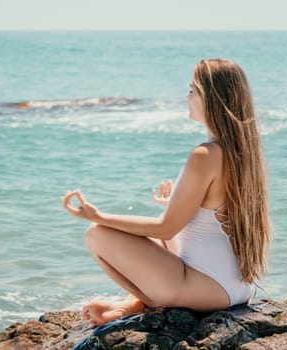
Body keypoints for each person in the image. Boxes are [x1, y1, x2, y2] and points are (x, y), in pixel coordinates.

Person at [62, 58, 271, 327]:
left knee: (97, 234)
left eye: (193, 90)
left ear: (212, 98)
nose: (187, 96)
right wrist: (176, 204)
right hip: (238, 286)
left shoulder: (205, 155)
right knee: (145, 238)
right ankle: (132, 304)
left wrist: (98, 215)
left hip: (208, 286)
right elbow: (215, 214)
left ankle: (141, 304)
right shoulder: (243, 152)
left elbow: (166, 229)